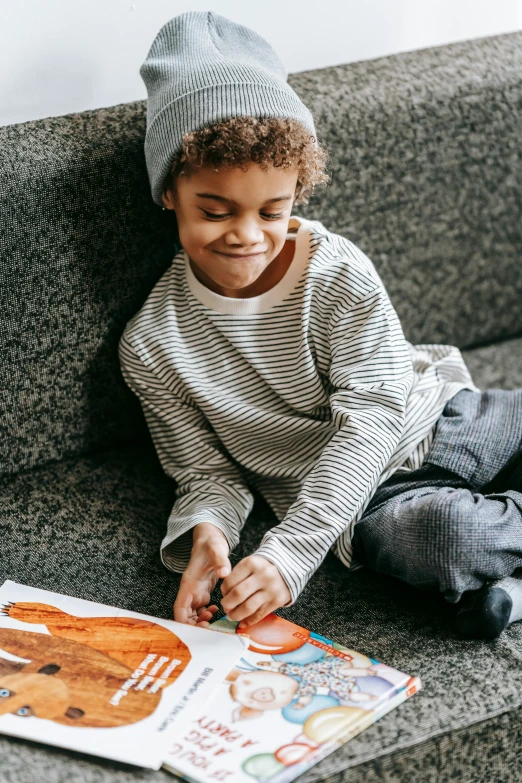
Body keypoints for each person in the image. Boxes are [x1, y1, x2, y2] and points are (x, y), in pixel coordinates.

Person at [119, 11, 522, 641]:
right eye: (215, 210)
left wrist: (291, 552)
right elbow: (206, 471)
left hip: (439, 419)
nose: (246, 236)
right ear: (169, 191)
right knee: (441, 540)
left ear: (297, 194)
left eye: (272, 211)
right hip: (371, 507)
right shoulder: (152, 346)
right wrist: (209, 533)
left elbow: (375, 414)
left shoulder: (334, 273)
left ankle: (503, 585)